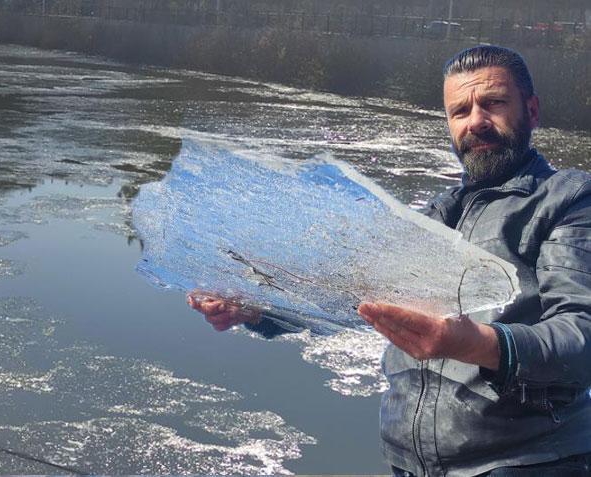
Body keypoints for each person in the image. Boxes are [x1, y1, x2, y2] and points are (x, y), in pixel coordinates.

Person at [188, 45, 591, 476]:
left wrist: (474, 344)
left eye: (493, 103)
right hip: (411, 464)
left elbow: (582, 333)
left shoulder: (569, 199)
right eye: (460, 110)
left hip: (528, 463)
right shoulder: (435, 216)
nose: (475, 120)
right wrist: (258, 309)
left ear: (531, 110)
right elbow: (351, 297)